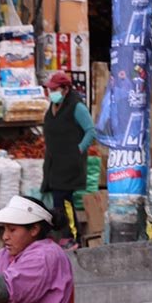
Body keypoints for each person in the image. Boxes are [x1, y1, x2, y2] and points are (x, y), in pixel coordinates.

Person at [39, 69, 97, 246]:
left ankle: (71, 236)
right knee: (58, 200)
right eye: (50, 89)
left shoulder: (76, 106)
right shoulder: (54, 106)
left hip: (70, 163)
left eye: (55, 89)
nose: (51, 93)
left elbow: (90, 131)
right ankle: (66, 235)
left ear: (65, 89)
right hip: (54, 162)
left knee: (64, 200)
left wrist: (78, 150)